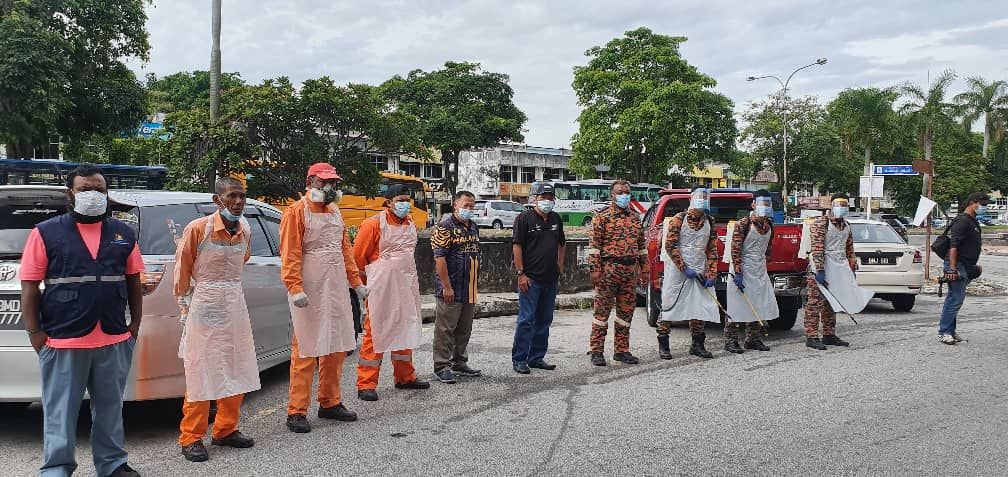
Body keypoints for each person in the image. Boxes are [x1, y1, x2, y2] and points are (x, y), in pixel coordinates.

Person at [20, 164, 143, 477]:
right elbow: (30, 286)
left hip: (113, 337)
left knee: (110, 409)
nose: (93, 195)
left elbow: (133, 282)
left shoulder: (123, 233)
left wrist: (134, 329)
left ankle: (113, 464)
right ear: (70, 193)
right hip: (63, 338)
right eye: (85, 189)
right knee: (60, 410)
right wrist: (35, 333)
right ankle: (57, 467)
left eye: (99, 189)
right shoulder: (45, 232)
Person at [173, 177, 259, 462]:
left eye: (242, 196)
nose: (238, 202)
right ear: (217, 199)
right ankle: (191, 437)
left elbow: (242, 260)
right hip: (206, 302)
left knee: (236, 366)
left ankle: (225, 429)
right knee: (202, 369)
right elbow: (182, 269)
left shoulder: (245, 229)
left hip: (234, 301)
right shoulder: (199, 229)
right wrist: (184, 306)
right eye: (232, 196)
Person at [280, 162, 367, 433]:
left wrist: (356, 282)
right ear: (310, 181)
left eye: (332, 183)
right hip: (309, 288)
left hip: (336, 286)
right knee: (307, 348)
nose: (329, 187)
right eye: (323, 182)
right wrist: (294, 287)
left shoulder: (335, 211)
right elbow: (290, 253)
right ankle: (297, 410)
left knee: (336, 345)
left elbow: (345, 250)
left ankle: (330, 401)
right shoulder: (296, 212)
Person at [353, 184, 429, 400]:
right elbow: (358, 257)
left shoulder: (410, 223)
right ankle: (366, 383)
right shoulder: (373, 224)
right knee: (376, 330)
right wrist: (364, 283)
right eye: (400, 200)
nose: (405, 204)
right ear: (388, 202)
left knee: (405, 327)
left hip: (406, 283)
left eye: (407, 199)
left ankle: (405, 377)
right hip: (381, 285)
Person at [586, 180, 647, 366]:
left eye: (627, 192)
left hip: (629, 272)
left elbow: (642, 246)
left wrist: (644, 268)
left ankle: (621, 351)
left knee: (626, 313)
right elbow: (594, 247)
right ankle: (596, 351)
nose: (624, 195)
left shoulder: (636, 218)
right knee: (602, 312)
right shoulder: (602, 216)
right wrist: (595, 270)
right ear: (612, 195)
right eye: (620, 192)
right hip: (608, 270)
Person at [804, 193, 872, 350]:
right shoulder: (821, 223)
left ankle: (829, 334)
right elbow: (817, 248)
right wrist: (820, 270)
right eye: (839, 205)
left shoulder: (846, 225)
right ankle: (812, 336)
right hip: (821, 268)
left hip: (838, 268)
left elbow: (849, 248)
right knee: (815, 303)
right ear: (832, 206)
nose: (842, 208)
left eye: (845, 205)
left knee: (832, 302)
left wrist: (852, 263)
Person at [658, 187, 720, 359]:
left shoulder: (710, 221)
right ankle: (664, 344)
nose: (703, 200)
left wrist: (712, 273)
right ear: (692, 199)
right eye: (700, 196)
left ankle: (697, 345)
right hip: (678, 271)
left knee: (699, 306)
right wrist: (684, 267)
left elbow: (712, 249)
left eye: (706, 197)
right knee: (670, 304)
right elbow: (670, 246)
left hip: (700, 267)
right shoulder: (679, 219)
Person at [511, 183, 567, 373]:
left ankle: (537, 357)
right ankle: (519, 358)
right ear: (534, 198)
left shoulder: (555, 219)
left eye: (550, 198)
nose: (547, 201)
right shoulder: (524, 218)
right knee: (526, 319)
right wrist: (521, 273)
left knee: (544, 319)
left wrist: (560, 265)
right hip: (530, 278)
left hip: (550, 278)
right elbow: (517, 246)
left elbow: (562, 243)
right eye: (543, 197)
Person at [431, 191, 483, 384]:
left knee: (464, 329)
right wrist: (446, 286)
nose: (468, 209)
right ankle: (441, 366)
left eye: (472, 206)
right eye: (465, 205)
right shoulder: (444, 227)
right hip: (451, 288)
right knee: (445, 329)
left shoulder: (473, 227)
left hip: (469, 287)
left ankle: (459, 362)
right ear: (455, 205)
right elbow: (439, 257)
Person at [723, 190, 777, 353]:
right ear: (753, 204)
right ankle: (730, 340)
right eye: (762, 203)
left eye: (768, 203)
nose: (765, 207)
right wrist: (738, 272)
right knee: (737, 305)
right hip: (742, 269)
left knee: (758, 304)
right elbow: (735, 249)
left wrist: (763, 264)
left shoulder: (769, 225)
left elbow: (767, 249)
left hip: (759, 269)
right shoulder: (743, 224)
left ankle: (753, 339)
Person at [937, 192, 989, 345]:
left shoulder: (973, 221)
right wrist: (952, 269)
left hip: (966, 265)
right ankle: (944, 332)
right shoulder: (963, 221)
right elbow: (954, 246)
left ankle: (950, 331)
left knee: (955, 299)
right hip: (957, 264)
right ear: (973, 203)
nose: (985, 207)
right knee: (955, 299)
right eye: (983, 204)